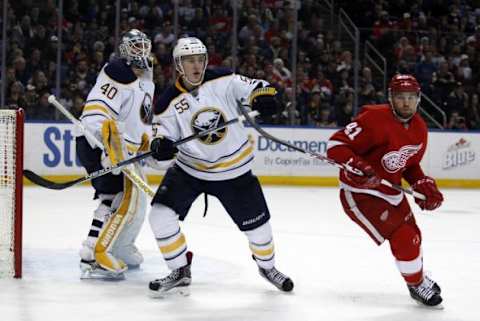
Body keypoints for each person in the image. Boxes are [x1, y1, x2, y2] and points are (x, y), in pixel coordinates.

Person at [147, 36, 293, 295]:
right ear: (178, 65)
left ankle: (267, 267)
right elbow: (161, 140)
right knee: (160, 215)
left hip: (234, 171)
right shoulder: (165, 103)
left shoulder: (224, 79)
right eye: (189, 60)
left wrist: (265, 97)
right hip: (190, 170)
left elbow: (258, 87)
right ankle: (180, 270)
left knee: (259, 230)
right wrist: (161, 147)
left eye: (200, 59)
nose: (196, 65)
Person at [326, 74, 444, 307]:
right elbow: (335, 145)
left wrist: (420, 183)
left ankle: (417, 275)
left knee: (414, 235)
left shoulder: (420, 127)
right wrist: (356, 164)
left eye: (411, 97)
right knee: (404, 237)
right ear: (391, 98)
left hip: (391, 191)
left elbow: (408, 164)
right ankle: (416, 284)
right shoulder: (373, 118)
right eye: (400, 97)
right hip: (361, 194)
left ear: (419, 99)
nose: (406, 103)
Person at [75, 29, 155, 279]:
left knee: (124, 200)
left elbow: (141, 122)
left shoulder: (147, 80)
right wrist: (106, 144)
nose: (140, 51)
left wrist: (150, 147)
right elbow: (96, 111)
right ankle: (99, 251)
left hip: (123, 149)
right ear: (124, 49)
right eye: (134, 46)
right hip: (99, 143)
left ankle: (116, 247)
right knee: (120, 198)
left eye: (143, 46)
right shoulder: (117, 72)